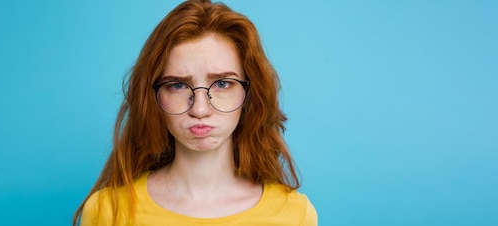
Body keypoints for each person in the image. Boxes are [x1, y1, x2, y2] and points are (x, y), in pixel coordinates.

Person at [72, 0, 317, 225]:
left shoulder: (294, 214)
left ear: (250, 93)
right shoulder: (107, 211)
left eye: (222, 84)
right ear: (152, 97)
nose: (200, 110)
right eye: (177, 85)